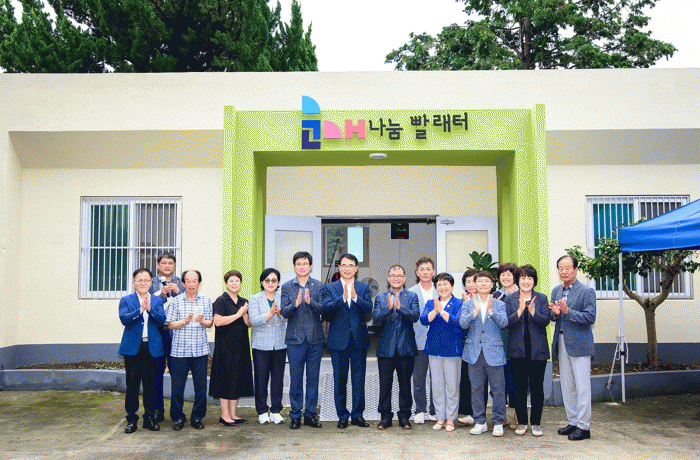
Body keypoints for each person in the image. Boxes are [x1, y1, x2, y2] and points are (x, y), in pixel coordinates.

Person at [322, 253, 373, 429]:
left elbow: (369, 309)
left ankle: (358, 415)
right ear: (339, 267)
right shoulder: (330, 288)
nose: (347, 269)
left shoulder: (363, 287)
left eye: (351, 265)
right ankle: (342, 415)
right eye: (344, 265)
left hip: (358, 339)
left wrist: (355, 297)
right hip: (338, 340)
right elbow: (326, 310)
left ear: (356, 268)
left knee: (359, 379)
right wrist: (342, 298)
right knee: (340, 379)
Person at [549, 255, 596, 441]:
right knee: (567, 385)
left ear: (576, 270)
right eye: (561, 268)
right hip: (562, 341)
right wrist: (555, 314)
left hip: (580, 344)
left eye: (567, 268)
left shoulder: (586, 291)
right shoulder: (556, 291)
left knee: (582, 387)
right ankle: (573, 421)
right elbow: (553, 317)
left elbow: (590, 317)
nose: (564, 272)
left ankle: (584, 426)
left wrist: (568, 312)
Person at [460, 270, 508, 437]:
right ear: (474, 284)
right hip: (474, 353)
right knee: (476, 389)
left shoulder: (499, 304)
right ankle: (480, 421)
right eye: (479, 281)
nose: (483, 284)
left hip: (493, 352)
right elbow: (463, 324)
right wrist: (474, 313)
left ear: (492, 284)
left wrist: (491, 311)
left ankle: (498, 422)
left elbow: (504, 323)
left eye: (486, 281)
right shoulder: (467, 304)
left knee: (498, 389)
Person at [280, 251, 325, 429]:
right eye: (298, 263)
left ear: (310, 266)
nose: (302, 266)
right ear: (294, 266)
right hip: (295, 340)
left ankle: (311, 414)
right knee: (296, 379)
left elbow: (324, 310)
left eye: (305, 263)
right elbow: (284, 312)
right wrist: (296, 304)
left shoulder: (318, 286)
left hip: (315, 339)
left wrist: (310, 301)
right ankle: (295, 415)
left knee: (313, 379)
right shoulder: (287, 286)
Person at [372, 264, 420, 430]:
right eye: (393, 275)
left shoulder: (412, 296)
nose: (396, 278)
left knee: (405, 385)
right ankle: (385, 416)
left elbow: (415, 316)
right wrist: (389, 308)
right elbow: (376, 317)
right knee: (385, 385)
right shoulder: (381, 297)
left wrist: (400, 308)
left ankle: (404, 416)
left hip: (406, 347)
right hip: (386, 348)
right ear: (388, 278)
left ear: (404, 278)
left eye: (399, 276)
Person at [504, 264, 550, 437]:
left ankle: (536, 423)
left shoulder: (542, 298)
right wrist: (520, 310)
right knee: (520, 388)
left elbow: (545, 320)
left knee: (537, 388)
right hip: (518, 351)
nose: (526, 281)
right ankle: (522, 422)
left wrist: (533, 312)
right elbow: (506, 323)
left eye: (529, 278)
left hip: (538, 351)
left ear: (534, 281)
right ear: (518, 280)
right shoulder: (510, 299)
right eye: (522, 278)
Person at [118, 268, 166, 433]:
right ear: (134, 283)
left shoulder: (157, 300)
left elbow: (162, 320)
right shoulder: (126, 300)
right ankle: (131, 419)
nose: (143, 283)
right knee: (132, 385)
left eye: (146, 280)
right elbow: (124, 319)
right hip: (133, 349)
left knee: (150, 385)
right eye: (140, 280)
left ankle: (150, 418)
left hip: (152, 348)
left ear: (151, 283)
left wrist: (150, 309)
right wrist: (140, 310)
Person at [167, 270, 213, 431]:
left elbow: (210, 323)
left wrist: (203, 321)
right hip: (179, 351)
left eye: (194, 281)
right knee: (177, 387)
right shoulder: (176, 301)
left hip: (200, 350)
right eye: (188, 281)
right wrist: (184, 321)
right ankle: (178, 417)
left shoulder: (206, 300)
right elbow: (170, 324)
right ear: (183, 283)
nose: (191, 284)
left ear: (199, 283)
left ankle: (197, 417)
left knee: (200, 386)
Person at [209, 270, 254, 426]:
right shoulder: (221, 301)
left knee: (237, 378)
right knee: (225, 379)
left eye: (237, 281)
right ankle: (224, 415)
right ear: (226, 283)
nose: (234, 283)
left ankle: (233, 414)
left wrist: (245, 316)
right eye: (231, 281)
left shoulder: (243, 301)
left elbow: (248, 324)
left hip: (241, 346)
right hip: (225, 347)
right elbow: (218, 321)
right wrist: (237, 314)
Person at [419, 272, 463, 432]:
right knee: (437, 385)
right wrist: (435, 311)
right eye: (439, 285)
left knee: (452, 386)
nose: (442, 287)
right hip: (434, 349)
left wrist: (443, 311)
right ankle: (440, 417)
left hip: (452, 350)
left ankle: (451, 418)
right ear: (435, 287)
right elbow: (423, 319)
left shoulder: (459, 303)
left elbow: (458, 322)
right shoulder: (431, 303)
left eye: (446, 284)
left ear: (451, 286)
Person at [248, 268, 287, 425]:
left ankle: (276, 411)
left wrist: (280, 314)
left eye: (274, 280)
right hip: (261, 345)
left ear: (278, 283)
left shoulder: (283, 297)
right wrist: (270, 314)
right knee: (261, 379)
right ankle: (262, 411)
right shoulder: (255, 298)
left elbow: (289, 318)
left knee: (278, 379)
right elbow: (253, 320)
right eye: (267, 280)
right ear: (262, 282)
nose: (271, 283)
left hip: (279, 344)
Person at [149, 252, 184, 423]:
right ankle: (157, 410)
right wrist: (160, 296)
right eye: (164, 263)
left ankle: (177, 412)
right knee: (156, 372)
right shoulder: (150, 283)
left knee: (177, 373)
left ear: (174, 265)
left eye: (170, 263)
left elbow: (190, 302)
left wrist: (179, 292)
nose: (167, 266)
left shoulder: (182, 283)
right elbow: (147, 304)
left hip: (176, 332)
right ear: (158, 265)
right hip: (157, 331)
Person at [408, 257, 437, 424]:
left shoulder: (441, 290)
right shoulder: (411, 292)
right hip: (418, 341)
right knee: (419, 378)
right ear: (417, 273)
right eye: (422, 269)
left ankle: (434, 410)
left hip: (437, 341)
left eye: (428, 269)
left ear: (433, 272)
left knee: (436, 379)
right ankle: (420, 410)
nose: (425, 272)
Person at [493, 262, 519, 429]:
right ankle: (501, 415)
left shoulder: (521, 294)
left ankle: (517, 415)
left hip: (515, 342)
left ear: (515, 276)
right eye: (502, 274)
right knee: (499, 381)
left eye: (509, 274)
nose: (506, 277)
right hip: (498, 343)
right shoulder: (496, 295)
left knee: (514, 380)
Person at [457, 268, 480, 426]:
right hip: (465, 345)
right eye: (468, 282)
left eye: (473, 281)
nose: (471, 284)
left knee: (478, 382)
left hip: (480, 346)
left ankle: (478, 414)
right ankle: (468, 412)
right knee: (465, 379)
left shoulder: (484, 300)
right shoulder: (461, 301)